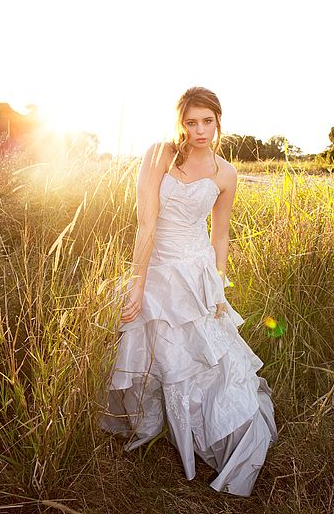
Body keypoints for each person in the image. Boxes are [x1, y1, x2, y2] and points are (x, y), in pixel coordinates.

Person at [99, 86, 277, 496]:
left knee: (204, 355)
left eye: (208, 122)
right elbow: (146, 223)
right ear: (181, 123)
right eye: (191, 122)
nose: (200, 130)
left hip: (196, 269)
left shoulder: (225, 172)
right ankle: (154, 424)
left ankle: (209, 429)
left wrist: (217, 283)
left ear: (218, 121)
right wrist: (138, 281)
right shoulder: (160, 154)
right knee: (152, 346)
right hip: (158, 261)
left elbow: (220, 234)